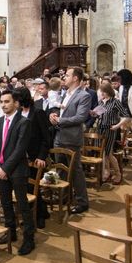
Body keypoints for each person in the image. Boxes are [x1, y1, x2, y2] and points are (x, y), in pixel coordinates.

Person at [0, 90, 36, 255]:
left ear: (16, 103)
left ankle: (29, 239)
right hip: (1, 170)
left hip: (17, 170)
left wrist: (5, 168)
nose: (3, 105)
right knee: (6, 203)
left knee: (22, 205)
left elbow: (20, 149)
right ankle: (10, 233)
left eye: (7, 101)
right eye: (2, 102)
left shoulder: (23, 122)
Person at [49, 67, 91, 214]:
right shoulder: (65, 93)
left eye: (67, 75)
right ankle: (64, 196)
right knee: (60, 169)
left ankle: (82, 201)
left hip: (72, 138)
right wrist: (53, 115)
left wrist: (60, 120)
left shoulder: (83, 95)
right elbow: (60, 109)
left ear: (75, 78)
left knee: (75, 171)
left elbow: (80, 117)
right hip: (59, 136)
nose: (63, 77)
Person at [18, 88, 51, 228]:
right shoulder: (18, 113)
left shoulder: (37, 112)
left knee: (34, 187)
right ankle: (39, 211)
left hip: (35, 156)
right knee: (25, 187)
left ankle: (39, 215)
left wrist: (42, 156)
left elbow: (46, 137)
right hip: (21, 157)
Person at [94, 83, 130, 185]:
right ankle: (107, 173)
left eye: (102, 91)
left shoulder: (115, 102)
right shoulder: (101, 102)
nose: (101, 93)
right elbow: (99, 115)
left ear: (107, 91)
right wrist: (94, 114)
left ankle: (118, 174)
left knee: (108, 153)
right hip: (100, 129)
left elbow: (126, 116)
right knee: (102, 153)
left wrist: (117, 126)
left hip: (110, 129)